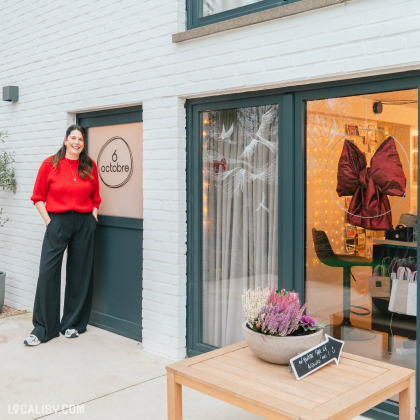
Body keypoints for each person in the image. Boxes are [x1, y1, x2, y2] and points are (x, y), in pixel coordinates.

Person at [24, 124, 101, 346]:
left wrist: (93, 217)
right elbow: (38, 197)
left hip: (84, 223)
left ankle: (72, 324)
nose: (77, 142)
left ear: (83, 144)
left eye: (81, 139)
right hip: (57, 221)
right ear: (65, 140)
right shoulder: (50, 164)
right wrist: (49, 221)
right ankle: (43, 328)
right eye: (73, 138)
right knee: (48, 272)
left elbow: (96, 197)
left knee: (79, 274)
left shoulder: (89, 165)